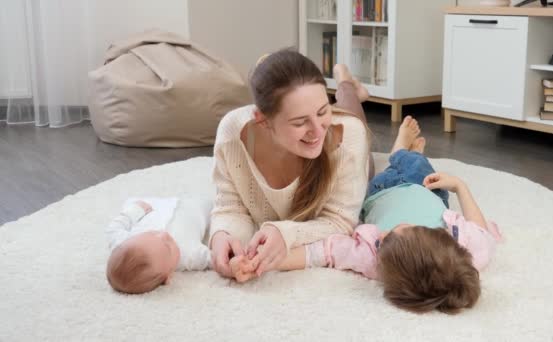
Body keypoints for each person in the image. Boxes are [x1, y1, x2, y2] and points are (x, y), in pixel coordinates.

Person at [231, 119, 502, 314]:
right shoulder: (464, 253)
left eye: (383, 240)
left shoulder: (373, 257)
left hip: (379, 192)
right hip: (426, 187)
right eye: (399, 229)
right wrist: (458, 186)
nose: (380, 233)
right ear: (436, 234)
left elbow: (319, 253)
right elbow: (479, 229)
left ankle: (400, 154)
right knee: (418, 165)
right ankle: (401, 152)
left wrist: (260, 262)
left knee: (362, 179)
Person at [210, 48, 374, 278]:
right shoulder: (232, 132)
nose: (317, 131)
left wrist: (287, 233)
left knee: (351, 112)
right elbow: (230, 206)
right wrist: (222, 236)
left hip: (351, 151)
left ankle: (346, 83)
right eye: (299, 122)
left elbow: (341, 222)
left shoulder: (349, 138)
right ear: (262, 120)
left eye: (322, 110)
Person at [106, 197, 212, 294]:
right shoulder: (189, 256)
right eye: (168, 247)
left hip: (159, 206)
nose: (164, 234)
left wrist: (135, 211)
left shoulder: (124, 242)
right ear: (168, 277)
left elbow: (114, 228)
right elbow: (213, 259)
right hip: (195, 206)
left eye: (151, 233)